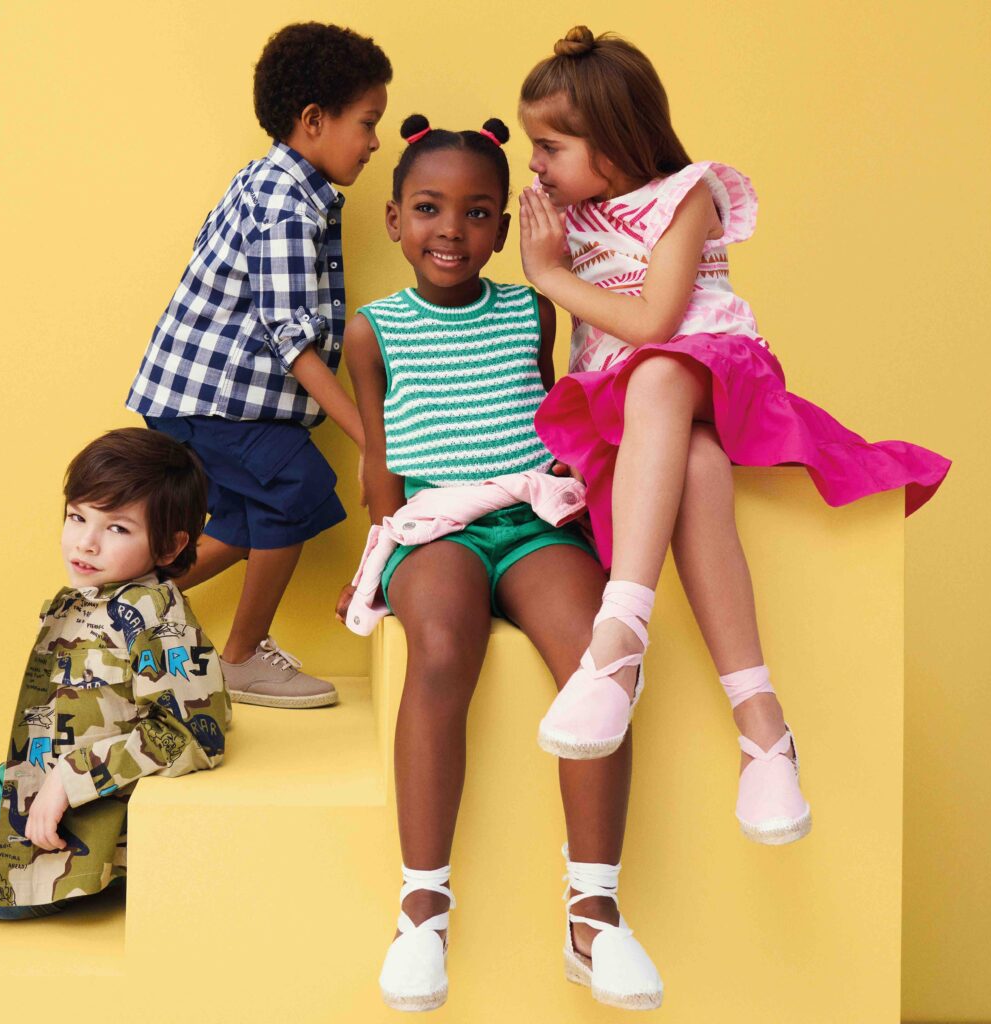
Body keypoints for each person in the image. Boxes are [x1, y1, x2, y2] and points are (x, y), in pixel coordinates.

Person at [516, 26, 950, 843]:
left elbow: (655, 323)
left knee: (658, 375)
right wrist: (547, 268)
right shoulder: (566, 219)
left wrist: (550, 275)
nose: (533, 164)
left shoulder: (685, 195)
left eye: (550, 146)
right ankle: (764, 731)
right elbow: (577, 347)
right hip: (637, 416)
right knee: (697, 465)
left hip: (718, 373)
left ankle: (619, 637)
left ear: (612, 140)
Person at [338, 114, 664, 1012]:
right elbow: (380, 458)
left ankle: (593, 913)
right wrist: (377, 552)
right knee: (444, 648)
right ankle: (422, 910)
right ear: (395, 219)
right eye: (429, 209)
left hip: (529, 516)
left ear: (504, 227)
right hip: (435, 526)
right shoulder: (372, 330)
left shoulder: (532, 308)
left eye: (478, 212)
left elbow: (551, 413)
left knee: (600, 657)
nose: (452, 229)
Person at [126, 23, 392, 710]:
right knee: (297, 487)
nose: (375, 142)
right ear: (314, 120)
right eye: (368, 123)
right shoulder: (284, 204)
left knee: (248, 522)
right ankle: (242, 657)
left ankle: (120, 602)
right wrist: (372, 437)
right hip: (211, 399)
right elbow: (290, 338)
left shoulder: (277, 185)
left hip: (208, 396)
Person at [0, 428, 229, 920]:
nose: (85, 542)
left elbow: (197, 733)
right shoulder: (107, 597)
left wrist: (71, 777)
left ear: (171, 547)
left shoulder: (156, 619)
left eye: (117, 529)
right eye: (77, 516)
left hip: (9, 857)